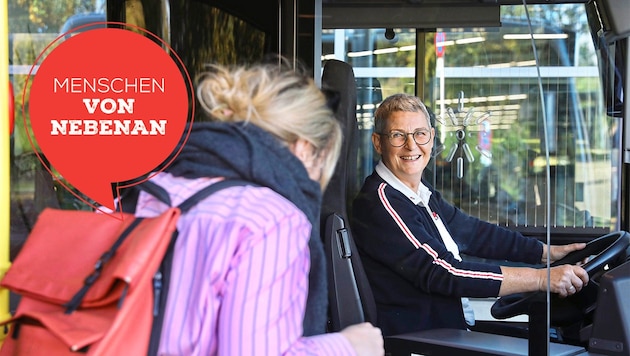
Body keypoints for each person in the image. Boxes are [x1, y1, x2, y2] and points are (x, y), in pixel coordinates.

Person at [132, 62, 384, 355]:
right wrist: (349, 346)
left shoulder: (145, 188)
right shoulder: (269, 220)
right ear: (303, 148)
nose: (316, 181)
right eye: (321, 164)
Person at [350, 93, 589, 336]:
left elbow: (474, 233)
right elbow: (444, 271)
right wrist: (540, 279)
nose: (411, 145)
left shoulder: (421, 193)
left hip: (449, 331)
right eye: (398, 135)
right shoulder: (381, 202)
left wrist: (547, 253)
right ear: (378, 143)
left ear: (431, 138)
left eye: (420, 134)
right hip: (420, 342)